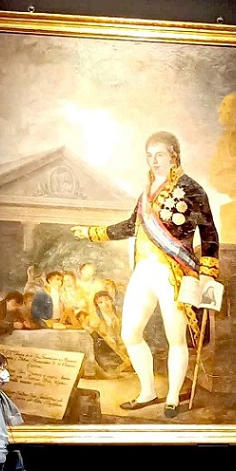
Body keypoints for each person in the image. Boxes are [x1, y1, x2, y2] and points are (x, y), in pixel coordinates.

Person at [72, 131, 219, 417]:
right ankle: (148, 391)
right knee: (130, 334)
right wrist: (92, 233)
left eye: (159, 154)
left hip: (175, 273)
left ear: (174, 155)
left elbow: (209, 232)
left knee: (175, 338)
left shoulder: (192, 189)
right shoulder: (146, 193)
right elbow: (130, 227)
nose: (154, 161)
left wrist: (208, 272)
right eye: (149, 156)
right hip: (143, 271)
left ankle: (172, 397)